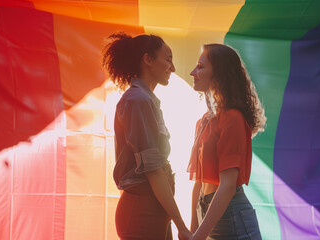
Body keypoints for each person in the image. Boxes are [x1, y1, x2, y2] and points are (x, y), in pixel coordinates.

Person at [102, 33, 192, 240]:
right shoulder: (138, 101)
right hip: (142, 213)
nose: (173, 68)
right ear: (148, 60)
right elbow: (153, 170)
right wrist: (181, 225)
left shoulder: (145, 100)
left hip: (154, 211)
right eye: (168, 59)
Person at [187, 44, 266, 239]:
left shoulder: (232, 118)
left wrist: (197, 236)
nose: (192, 72)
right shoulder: (204, 121)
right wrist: (192, 230)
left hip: (231, 216)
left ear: (219, 73)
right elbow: (199, 182)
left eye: (200, 66)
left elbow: (228, 186)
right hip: (208, 212)